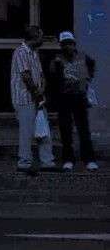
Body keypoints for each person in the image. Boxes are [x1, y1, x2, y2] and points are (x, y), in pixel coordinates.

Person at [49, 30, 99, 171]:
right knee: (66, 130)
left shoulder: (83, 57)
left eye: (70, 44)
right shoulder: (57, 59)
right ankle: (68, 159)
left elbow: (92, 65)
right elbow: (52, 77)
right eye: (64, 44)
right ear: (61, 45)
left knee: (84, 130)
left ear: (74, 44)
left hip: (80, 97)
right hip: (64, 98)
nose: (67, 47)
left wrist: (88, 79)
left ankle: (89, 160)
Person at [10, 25, 55, 173]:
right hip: (25, 99)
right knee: (27, 132)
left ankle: (47, 162)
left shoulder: (34, 53)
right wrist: (37, 92)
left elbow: (40, 75)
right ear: (34, 37)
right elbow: (26, 76)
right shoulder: (21, 52)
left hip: (37, 97)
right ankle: (24, 163)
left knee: (44, 129)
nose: (42, 40)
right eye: (41, 37)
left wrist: (42, 89)